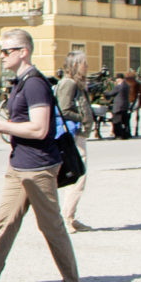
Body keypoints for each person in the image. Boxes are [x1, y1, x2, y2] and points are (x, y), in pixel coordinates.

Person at [0, 29, 84, 282]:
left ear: (24, 52)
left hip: (39, 167)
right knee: (4, 226)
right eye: (2, 51)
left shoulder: (34, 84)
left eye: (7, 51)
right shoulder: (19, 82)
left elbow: (40, 128)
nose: (3, 56)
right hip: (19, 164)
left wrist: (0, 126)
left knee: (52, 228)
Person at [52, 50, 93, 233]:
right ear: (76, 65)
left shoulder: (75, 83)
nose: (87, 66)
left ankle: (70, 215)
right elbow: (63, 109)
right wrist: (83, 117)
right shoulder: (69, 84)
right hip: (73, 134)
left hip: (77, 134)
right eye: (84, 63)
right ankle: (67, 218)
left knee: (78, 175)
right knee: (78, 175)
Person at [109, 72, 132, 139]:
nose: (116, 80)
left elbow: (111, 93)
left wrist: (104, 93)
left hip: (118, 106)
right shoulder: (127, 85)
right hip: (125, 106)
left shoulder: (118, 86)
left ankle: (118, 135)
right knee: (125, 121)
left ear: (119, 79)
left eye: (117, 79)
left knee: (117, 121)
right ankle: (126, 134)